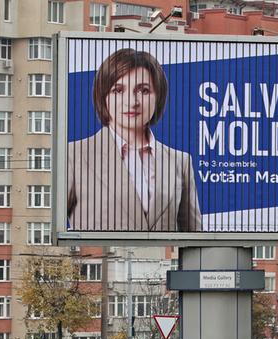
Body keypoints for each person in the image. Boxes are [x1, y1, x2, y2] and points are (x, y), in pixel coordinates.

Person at [67, 48, 201, 232]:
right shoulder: (74, 155)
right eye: (118, 90)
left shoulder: (180, 161)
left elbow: (194, 236)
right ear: (103, 96)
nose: (131, 101)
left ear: (158, 96)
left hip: (163, 260)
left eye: (143, 91)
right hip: (99, 260)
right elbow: (52, 226)